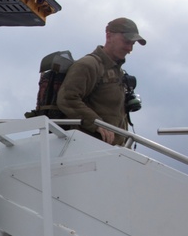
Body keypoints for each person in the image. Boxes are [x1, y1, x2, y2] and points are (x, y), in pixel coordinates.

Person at [55, 17, 146, 146]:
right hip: (88, 149)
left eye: (133, 44)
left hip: (112, 150)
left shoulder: (118, 72)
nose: (130, 48)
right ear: (109, 36)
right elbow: (67, 98)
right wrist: (97, 124)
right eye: (126, 41)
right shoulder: (89, 65)